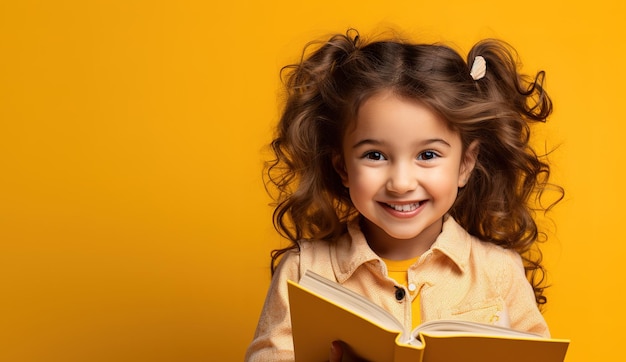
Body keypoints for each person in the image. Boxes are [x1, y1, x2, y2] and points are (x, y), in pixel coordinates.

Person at [245, 28, 563, 361]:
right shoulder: (302, 270)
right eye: (375, 155)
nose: (400, 183)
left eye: (427, 155)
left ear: (465, 164)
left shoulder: (499, 272)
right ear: (342, 167)